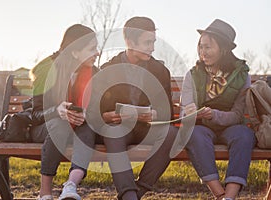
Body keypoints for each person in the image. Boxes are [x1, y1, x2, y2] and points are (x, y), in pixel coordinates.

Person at [96, 16, 178, 200]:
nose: (152, 47)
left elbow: (168, 114)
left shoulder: (160, 71)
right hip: (119, 128)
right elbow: (98, 112)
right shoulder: (108, 69)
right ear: (129, 42)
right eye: (147, 42)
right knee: (111, 132)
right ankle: (129, 194)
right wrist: (108, 116)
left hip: (147, 128)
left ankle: (136, 191)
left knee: (172, 134)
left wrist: (152, 114)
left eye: (153, 42)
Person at [180, 19, 256, 200]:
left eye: (207, 47)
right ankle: (220, 195)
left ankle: (230, 196)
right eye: (200, 46)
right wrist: (188, 113)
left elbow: (238, 115)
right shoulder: (192, 75)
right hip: (202, 127)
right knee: (194, 134)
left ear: (223, 49)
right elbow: (184, 113)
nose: (202, 52)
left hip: (230, 126)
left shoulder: (241, 75)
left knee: (245, 135)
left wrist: (214, 115)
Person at [29, 24, 99, 200]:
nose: (97, 53)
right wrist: (56, 110)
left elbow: (99, 109)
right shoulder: (47, 70)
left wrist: (86, 114)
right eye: (92, 49)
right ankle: (44, 193)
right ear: (75, 52)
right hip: (45, 127)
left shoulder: (95, 74)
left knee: (87, 125)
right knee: (60, 124)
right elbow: (35, 113)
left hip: (78, 128)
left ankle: (70, 186)